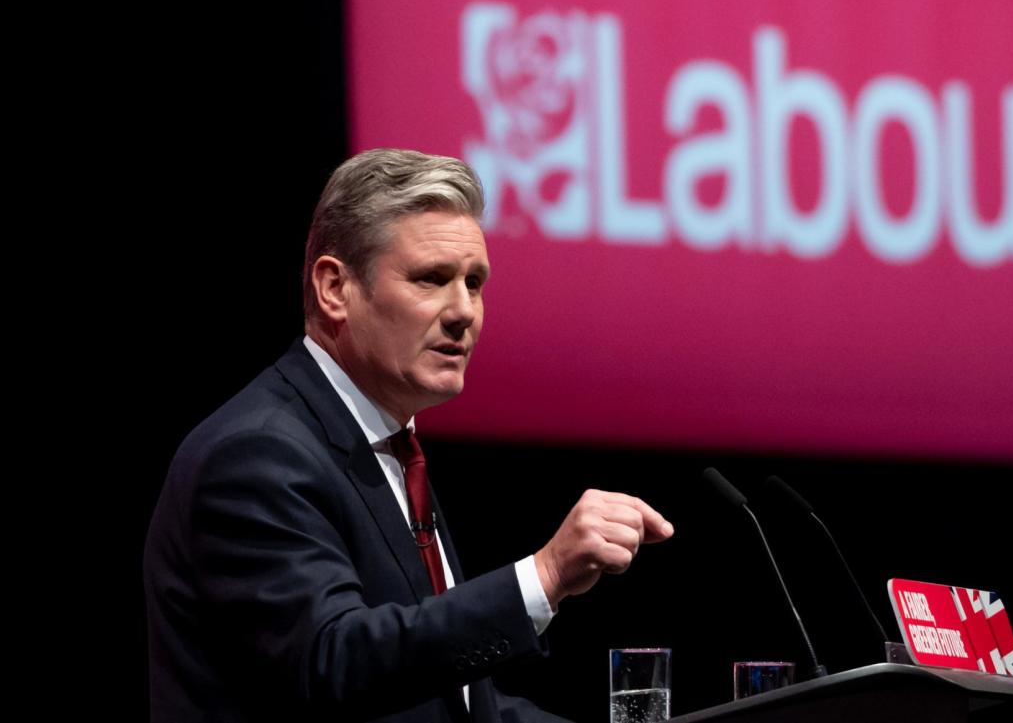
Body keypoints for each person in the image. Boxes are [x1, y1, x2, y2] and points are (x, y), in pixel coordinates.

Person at [144, 148, 674, 723]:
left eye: (474, 282)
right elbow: (333, 662)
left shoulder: (390, 450)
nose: (463, 311)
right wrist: (543, 576)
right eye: (432, 279)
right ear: (334, 289)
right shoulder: (255, 454)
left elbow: (459, 705)